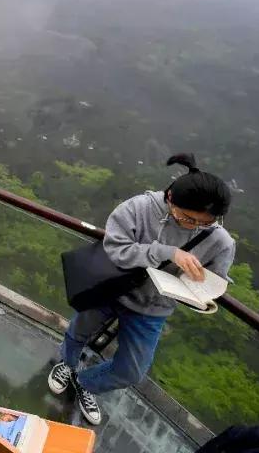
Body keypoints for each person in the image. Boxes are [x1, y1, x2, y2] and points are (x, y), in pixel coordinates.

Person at [48, 153, 236, 426]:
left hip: (153, 306)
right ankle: (67, 363)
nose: (195, 227)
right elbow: (115, 248)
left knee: (131, 371)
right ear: (170, 198)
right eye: (187, 219)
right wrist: (166, 252)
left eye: (205, 222)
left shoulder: (220, 239)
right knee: (78, 332)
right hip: (110, 286)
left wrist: (203, 294)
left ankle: (85, 383)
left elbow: (215, 278)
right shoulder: (140, 208)